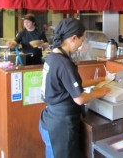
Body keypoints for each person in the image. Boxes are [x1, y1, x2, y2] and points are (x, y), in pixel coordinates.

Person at [39, 18, 111, 158]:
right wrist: (100, 92)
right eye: (81, 40)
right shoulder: (64, 63)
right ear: (73, 38)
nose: (81, 45)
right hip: (60, 124)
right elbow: (80, 98)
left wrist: (97, 80)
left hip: (50, 118)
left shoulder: (52, 57)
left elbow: (67, 85)